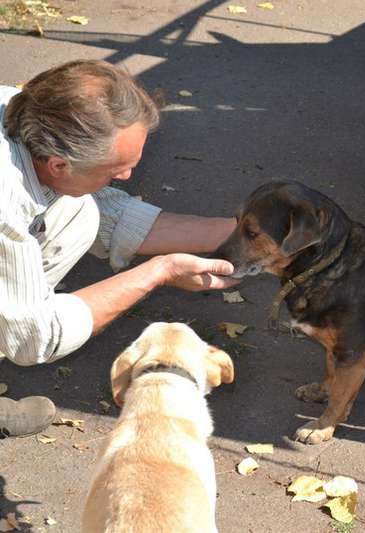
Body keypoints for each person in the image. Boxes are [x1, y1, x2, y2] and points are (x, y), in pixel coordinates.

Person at [0, 60, 239, 438]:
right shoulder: (5, 201)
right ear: (60, 164)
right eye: (115, 171)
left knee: (81, 211)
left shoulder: (23, 113)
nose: (127, 176)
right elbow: (33, 337)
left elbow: (107, 210)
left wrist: (240, 236)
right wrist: (158, 272)